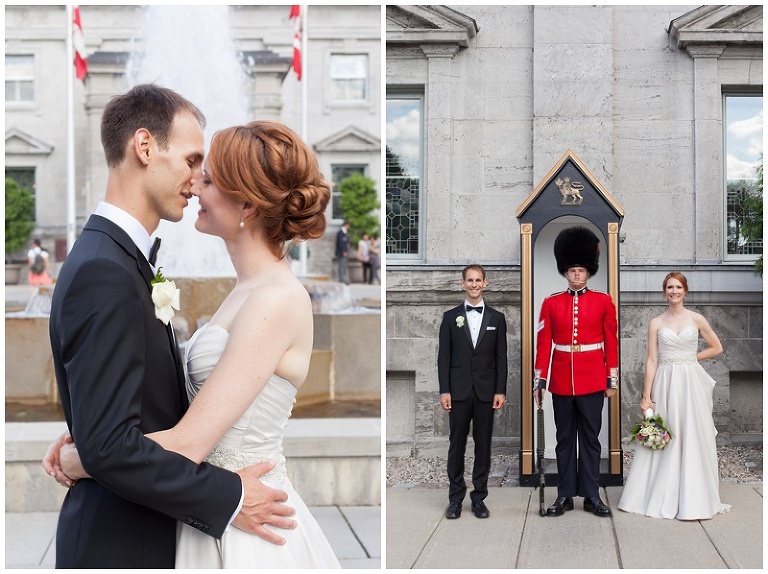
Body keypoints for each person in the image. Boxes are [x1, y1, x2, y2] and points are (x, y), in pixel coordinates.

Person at [49, 119, 341, 568]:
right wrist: (97, 422)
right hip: (207, 517)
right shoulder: (247, 290)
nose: (194, 187)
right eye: (195, 171)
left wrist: (83, 458)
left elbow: (189, 444)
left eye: (207, 179)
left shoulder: (276, 299)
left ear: (246, 202)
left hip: (249, 526)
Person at [618, 272, 730, 520]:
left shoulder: (696, 318)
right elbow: (651, 359)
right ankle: (657, 493)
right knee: (664, 432)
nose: (674, 291)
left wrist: (690, 359)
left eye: (678, 287)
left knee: (691, 432)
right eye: (670, 287)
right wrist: (646, 395)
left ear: (685, 291)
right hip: (665, 382)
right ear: (664, 291)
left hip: (690, 381)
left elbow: (717, 347)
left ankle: (694, 496)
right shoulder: (656, 323)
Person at [533, 226, 618, 518]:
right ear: (565, 272)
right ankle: (565, 494)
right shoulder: (551, 302)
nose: (577, 274)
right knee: (565, 439)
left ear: (588, 272)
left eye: (581, 269)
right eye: (572, 270)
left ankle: (592, 495)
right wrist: (539, 380)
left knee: (592, 440)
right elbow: (543, 344)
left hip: (594, 379)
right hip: (560, 382)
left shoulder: (603, 301)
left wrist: (612, 379)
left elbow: (611, 342)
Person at [438, 264, 507, 519]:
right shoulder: (450, 317)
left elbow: (502, 358)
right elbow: (443, 358)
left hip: (486, 393)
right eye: (470, 280)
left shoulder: (497, 319)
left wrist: (500, 390)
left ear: (485, 283)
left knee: (483, 446)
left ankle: (479, 498)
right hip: (457, 392)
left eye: (478, 280)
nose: (474, 284)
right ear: (462, 283)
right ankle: (455, 499)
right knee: (456, 445)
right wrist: (444, 390)